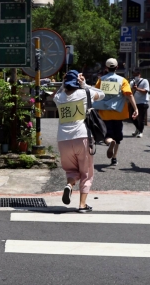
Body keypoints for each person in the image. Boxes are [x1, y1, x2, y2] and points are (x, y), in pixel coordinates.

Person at [54, 70, 105, 213]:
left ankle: (69, 185)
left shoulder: (59, 97)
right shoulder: (85, 94)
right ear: (77, 82)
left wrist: (64, 81)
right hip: (82, 137)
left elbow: (59, 90)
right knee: (86, 172)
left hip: (63, 139)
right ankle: (82, 205)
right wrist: (84, 84)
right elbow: (102, 94)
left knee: (71, 169)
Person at [94, 58, 138, 166]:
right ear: (117, 67)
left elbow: (95, 95)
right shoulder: (122, 80)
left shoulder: (101, 80)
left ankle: (109, 142)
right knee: (118, 137)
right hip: (119, 113)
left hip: (104, 113)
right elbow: (129, 94)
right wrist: (135, 109)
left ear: (106, 68)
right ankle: (114, 158)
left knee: (107, 135)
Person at [129, 68, 150, 138]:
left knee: (141, 118)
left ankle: (140, 132)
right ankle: (138, 128)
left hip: (143, 103)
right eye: (134, 75)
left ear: (140, 74)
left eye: (137, 75)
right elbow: (129, 92)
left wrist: (137, 89)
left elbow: (146, 91)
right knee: (131, 117)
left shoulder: (145, 81)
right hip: (134, 103)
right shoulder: (132, 82)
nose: (135, 76)